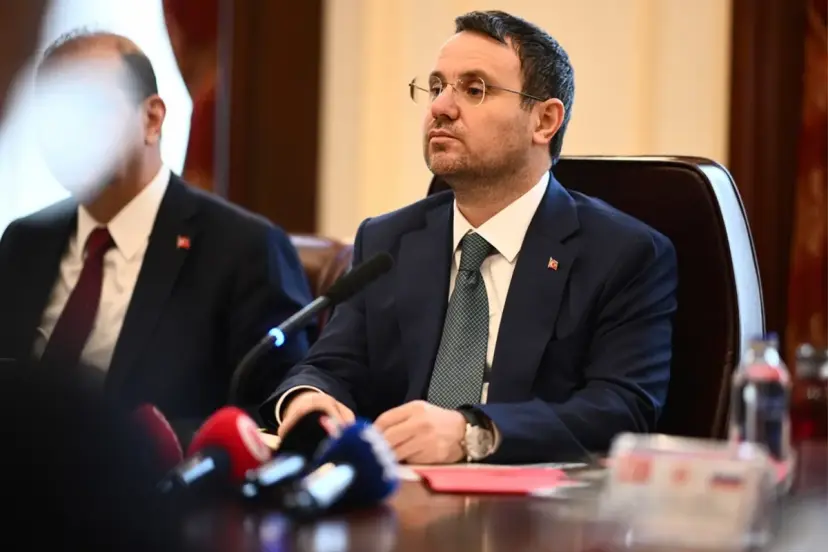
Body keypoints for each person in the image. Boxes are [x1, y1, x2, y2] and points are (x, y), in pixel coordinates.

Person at [265, 10, 678, 464]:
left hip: (530, 500)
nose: (440, 108)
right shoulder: (387, 240)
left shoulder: (623, 254)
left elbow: (621, 408)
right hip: (394, 491)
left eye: (475, 89)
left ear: (544, 121)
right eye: (436, 87)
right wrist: (309, 399)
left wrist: (473, 433)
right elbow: (329, 366)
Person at [0, 30, 314, 435]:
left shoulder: (244, 249)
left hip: (159, 472)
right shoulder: (25, 241)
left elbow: (275, 414)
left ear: (151, 119)